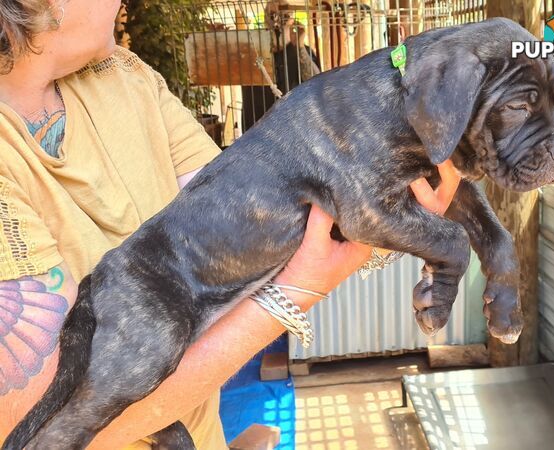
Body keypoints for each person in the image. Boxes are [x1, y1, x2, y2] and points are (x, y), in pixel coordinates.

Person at [0, 0, 460, 448]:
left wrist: (374, 218)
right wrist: (298, 288)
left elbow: (245, 220)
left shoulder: (124, 75)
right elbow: (41, 423)